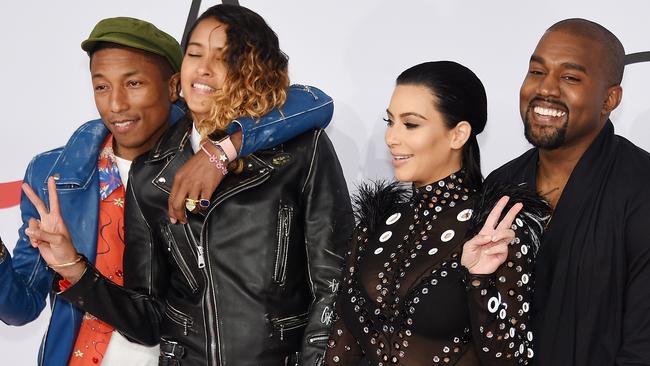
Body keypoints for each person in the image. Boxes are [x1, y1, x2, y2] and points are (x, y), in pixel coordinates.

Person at [23, 4, 354, 366]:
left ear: (252, 71)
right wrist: (73, 267)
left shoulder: (302, 151)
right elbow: (148, 321)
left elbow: (334, 287)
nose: (203, 67)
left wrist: (221, 152)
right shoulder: (151, 174)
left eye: (223, 57)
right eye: (194, 53)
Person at [323, 61, 549, 365]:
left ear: (458, 134)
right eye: (390, 122)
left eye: (411, 124)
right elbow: (343, 347)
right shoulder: (375, 226)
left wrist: (480, 283)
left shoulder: (494, 229)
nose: (392, 138)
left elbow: (512, 359)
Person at [485, 18, 650, 365]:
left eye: (570, 78)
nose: (546, 89)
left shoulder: (642, 186)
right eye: (536, 72)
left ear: (610, 99)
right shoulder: (501, 185)